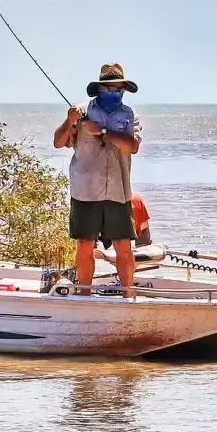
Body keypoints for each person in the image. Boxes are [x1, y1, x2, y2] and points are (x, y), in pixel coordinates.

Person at [53, 62, 142, 292]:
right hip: (85, 190)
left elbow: (132, 146)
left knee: (123, 245)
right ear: (99, 88)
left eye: (118, 89)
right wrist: (69, 121)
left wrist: (103, 131)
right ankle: (84, 294)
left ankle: (128, 294)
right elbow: (58, 142)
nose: (113, 92)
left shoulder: (129, 115)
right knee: (85, 244)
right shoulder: (81, 111)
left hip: (118, 190)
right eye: (109, 88)